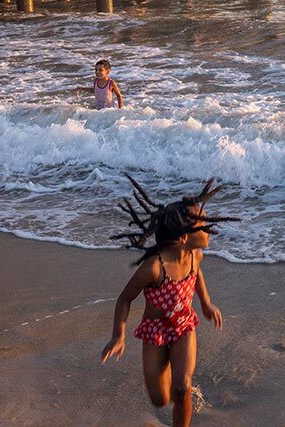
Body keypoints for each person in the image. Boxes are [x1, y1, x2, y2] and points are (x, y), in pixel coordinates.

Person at [101, 178, 239, 427]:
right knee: (160, 398)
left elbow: (197, 275)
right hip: (155, 331)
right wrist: (118, 335)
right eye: (203, 224)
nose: (208, 228)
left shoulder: (195, 255)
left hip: (184, 325)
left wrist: (206, 303)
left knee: (182, 387)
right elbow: (125, 298)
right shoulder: (154, 268)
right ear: (184, 237)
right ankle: (166, 374)